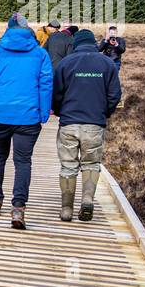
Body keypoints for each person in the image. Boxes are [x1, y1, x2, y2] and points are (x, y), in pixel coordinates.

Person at [0, 12, 54, 230]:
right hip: (29, 118)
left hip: (0, 115)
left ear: (7, 30)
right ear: (28, 30)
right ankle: (18, 208)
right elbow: (46, 85)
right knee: (23, 161)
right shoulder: (40, 55)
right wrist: (44, 113)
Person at [52, 29, 122, 222]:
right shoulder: (107, 64)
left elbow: (56, 94)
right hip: (94, 123)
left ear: (76, 44)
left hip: (68, 124)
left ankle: (66, 210)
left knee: (68, 166)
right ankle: (87, 199)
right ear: (93, 43)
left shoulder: (66, 63)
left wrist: (59, 112)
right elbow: (115, 94)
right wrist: (104, 112)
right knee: (91, 164)